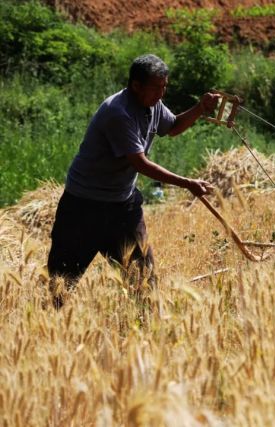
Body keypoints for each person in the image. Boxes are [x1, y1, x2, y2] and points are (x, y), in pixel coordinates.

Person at [47, 54, 218, 308]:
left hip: (122, 206)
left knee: (144, 283)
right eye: (156, 88)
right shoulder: (118, 112)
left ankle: (145, 339)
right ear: (136, 86)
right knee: (61, 286)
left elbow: (172, 127)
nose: (161, 94)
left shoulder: (152, 104)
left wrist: (201, 108)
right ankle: (50, 338)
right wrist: (187, 183)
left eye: (164, 87)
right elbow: (140, 163)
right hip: (84, 207)